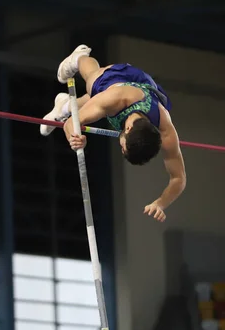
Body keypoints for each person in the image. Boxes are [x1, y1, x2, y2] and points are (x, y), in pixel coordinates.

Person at [40, 45, 186, 222]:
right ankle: (79, 58)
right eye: (123, 145)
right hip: (114, 80)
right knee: (93, 82)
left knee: (94, 103)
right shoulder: (113, 99)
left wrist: (161, 203)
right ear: (128, 129)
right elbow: (71, 124)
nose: (120, 146)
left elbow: (179, 178)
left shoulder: (166, 130)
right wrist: (74, 137)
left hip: (147, 88)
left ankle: (64, 106)